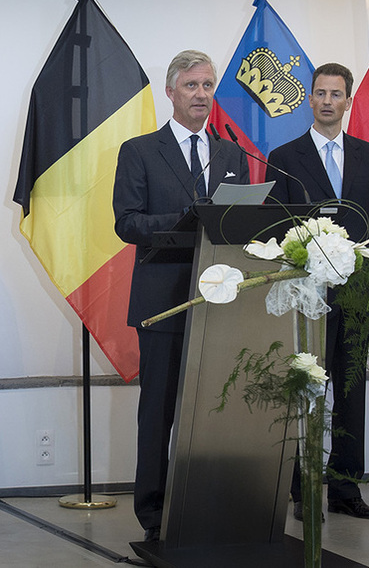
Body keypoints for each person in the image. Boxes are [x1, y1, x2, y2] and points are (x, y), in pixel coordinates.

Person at [113, 50, 249, 541]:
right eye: (191, 86)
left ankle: (210, 503)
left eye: (208, 85)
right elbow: (126, 223)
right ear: (170, 92)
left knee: (216, 411)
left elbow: (240, 228)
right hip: (164, 302)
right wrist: (188, 220)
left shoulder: (234, 154)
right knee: (160, 412)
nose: (201, 95)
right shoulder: (140, 151)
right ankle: (153, 514)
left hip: (222, 304)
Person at [264, 62, 369, 521]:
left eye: (335, 94)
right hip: (308, 295)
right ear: (310, 99)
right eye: (319, 93)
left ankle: (345, 490)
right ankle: (302, 490)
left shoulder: (368, 155)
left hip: (358, 294)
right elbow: (276, 228)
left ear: (348, 101)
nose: (327, 101)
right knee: (306, 391)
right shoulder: (284, 155)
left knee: (351, 394)